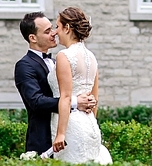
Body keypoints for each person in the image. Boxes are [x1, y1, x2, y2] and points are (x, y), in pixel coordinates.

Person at [15, 12, 97, 155]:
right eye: (47, 31)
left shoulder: (58, 61)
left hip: (70, 132)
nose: (54, 33)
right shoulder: (24, 65)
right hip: (44, 138)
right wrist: (75, 102)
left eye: (53, 28)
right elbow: (36, 101)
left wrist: (89, 99)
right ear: (32, 38)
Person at [49, 7, 112, 165]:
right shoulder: (92, 58)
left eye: (58, 26)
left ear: (67, 28)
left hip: (70, 126)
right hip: (90, 125)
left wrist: (61, 134)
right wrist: (90, 121)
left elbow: (66, 97)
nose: (55, 32)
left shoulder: (64, 56)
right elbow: (94, 99)